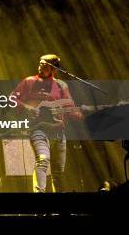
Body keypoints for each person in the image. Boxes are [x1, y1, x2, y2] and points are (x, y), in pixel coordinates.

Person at [11, 54, 82, 192]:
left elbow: (69, 107)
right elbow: (11, 98)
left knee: (59, 172)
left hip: (59, 133)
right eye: (40, 63)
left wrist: (83, 114)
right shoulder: (29, 82)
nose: (40, 65)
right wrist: (27, 108)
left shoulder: (61, 85)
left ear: (54, 69)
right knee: (43, 160)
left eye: (44, 64)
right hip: (38, 130)